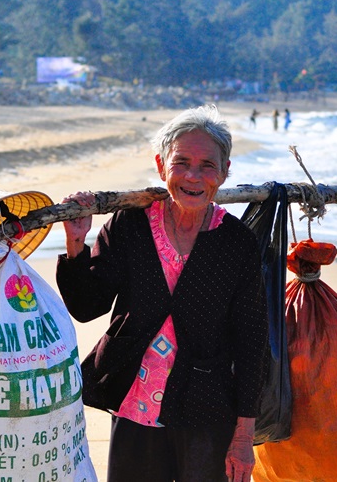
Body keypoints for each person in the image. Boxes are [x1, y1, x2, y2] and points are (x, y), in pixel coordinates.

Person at [57, 104, 269, 482]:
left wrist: (243, 436)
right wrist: (76, 243)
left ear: (224, 172)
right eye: (181, 162)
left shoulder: (237, 244)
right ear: (161, 166)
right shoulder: (131, 224)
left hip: (207, 411)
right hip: (133, 403)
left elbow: (252, 343)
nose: (193, 176)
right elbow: (87, 306)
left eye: (207, 165)